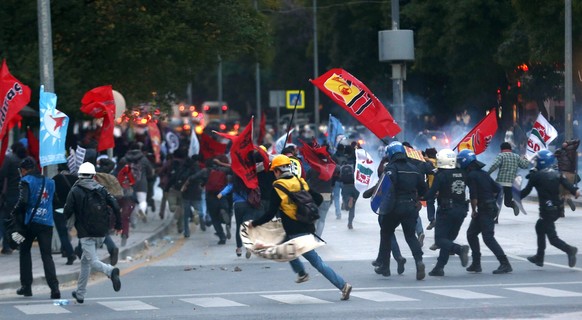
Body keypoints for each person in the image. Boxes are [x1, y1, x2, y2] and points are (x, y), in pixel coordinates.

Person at [249, 154, 352, 301]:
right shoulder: (300, 182)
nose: (273, 174)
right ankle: (302, 273)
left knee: (312, 260)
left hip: (294, 233)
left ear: (278, 171)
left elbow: (270, 213)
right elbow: (318, 198)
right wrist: (305, 211)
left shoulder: (278, 187)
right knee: (287, 247)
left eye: (274, 171)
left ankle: (342, 285)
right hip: (306, 228)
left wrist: (255, 223)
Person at [64, 162, 122, 303]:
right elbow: (115, 205)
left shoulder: (75, 190)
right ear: (93, 175)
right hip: (102, 232)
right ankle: (80, 294)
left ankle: (110, 271)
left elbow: (67, 211)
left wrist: (68, 219)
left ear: (80, 175)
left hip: (86, 233)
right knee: (85, 262)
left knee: (93, 262)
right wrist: (118, 224)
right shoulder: (101, 189)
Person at [374, 142, 428, 280]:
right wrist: (417, 200)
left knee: (386, 233)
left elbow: (385, 187)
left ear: (391, 154)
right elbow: (423, 190)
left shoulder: (391, 168)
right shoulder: (414, 169)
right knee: (410, 236)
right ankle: (419, 261)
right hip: (410, 207)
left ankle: (385, 266)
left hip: (394, 207)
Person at [9, 157, 60, 299]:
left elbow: (23, 201)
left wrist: (15, 211)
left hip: (30, 222)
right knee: (46, 255)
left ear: (24, 170)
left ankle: (26, 287)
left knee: (25, 252)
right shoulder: (50, 182)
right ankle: (54, 288)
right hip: (46, 222)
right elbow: (55, 201)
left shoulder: (26, 181)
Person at [520, 150, 579, 268]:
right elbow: (568, 185)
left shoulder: (536, 176)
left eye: (537, 161)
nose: (535, 163)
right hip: (557, 209)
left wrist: (515, 196)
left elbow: (526, 191)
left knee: (552, 238)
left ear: (542, 161)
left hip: (547, 211)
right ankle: (539, 257)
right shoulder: (558, 174)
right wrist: (575, 191)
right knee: (539, 227)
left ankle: (570, 250)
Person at [458, 149, 512, 274]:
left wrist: (473, 210)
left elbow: (473, 196)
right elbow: (497, 189)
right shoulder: (484, 173)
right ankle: (476, 263)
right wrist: (489, 199)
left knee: (488, 238)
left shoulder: (471, 176)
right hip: (489, 207)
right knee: (471, 234)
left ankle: (505, 263)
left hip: (484, 209)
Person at [423, 149, 470, 276]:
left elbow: (431, 193)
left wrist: (420, 197)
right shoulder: (462, 173)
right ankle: (439, 267)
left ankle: (460, 250)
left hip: (446, 210)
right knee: (447, 240)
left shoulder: (441, 175)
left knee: (440, 240)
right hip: (462, 210)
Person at [487, 142, 530, 218]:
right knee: (507, 202)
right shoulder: (516, 156)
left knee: (496, 201)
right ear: (510, 149)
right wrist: (526, 159)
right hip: (510, 184)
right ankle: (513, 204)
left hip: (500, 183)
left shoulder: (501, 156)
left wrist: (487, 174)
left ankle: (495, 218)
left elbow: (494, 165)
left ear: (502, 149)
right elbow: (524, 165)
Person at [0, 142, 27, 255]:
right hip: (22, 194)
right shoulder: (25, 161)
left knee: (5, 219)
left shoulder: (9, 159)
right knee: (19, 221)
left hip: (10, 194)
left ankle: (7, 246)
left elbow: (2, 175)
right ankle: (19, 243)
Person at [554, 139, 580, 211]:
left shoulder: (559, 151)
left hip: (562, 174)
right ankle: (568, 198)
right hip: (571, 173)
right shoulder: (573, 149)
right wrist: (568, 143)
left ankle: (561, 211)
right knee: (567, 191)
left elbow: (553, 155)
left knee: (561, 193)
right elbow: (577, 141)